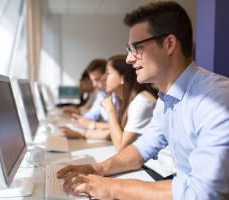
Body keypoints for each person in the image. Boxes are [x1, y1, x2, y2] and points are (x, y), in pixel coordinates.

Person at [57, 1, 229, 200]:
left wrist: (112, 188)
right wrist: (97, 169)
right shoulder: (167, 98)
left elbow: (203, 192)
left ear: (169, 44)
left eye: (137, 47)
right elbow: (143, 148)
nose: (129, 59)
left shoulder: (215, 99)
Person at [62, 55, 157, 152]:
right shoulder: (124, 100)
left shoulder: (141, 101)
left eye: (108, 73)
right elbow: (113, 132)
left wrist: (110, 110)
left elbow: (121, 148)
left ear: (122, 78)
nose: (103, 78)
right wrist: (81, 134)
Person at [72, 58, 118, 130]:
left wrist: (92, 124)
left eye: (97, 79)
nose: (94, 85)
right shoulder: (102, 94)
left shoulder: (119, 95)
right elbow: (92, 114)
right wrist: (80, 120)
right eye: (92, 81)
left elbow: (120, 126)